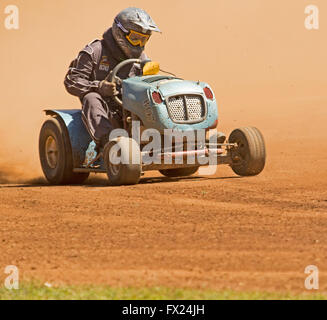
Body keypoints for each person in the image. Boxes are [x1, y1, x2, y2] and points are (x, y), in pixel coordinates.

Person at [64, 7, 160, 150]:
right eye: (135, 38)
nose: (140, 44)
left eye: (144, 39)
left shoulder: (141, 59)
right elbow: (71, 80)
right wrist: (99, 87)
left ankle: (168, 139)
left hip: (129, 110)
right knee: (91, 97)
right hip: (103, 110)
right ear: (120, 32)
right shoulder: (95, 51)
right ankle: (109, 145)